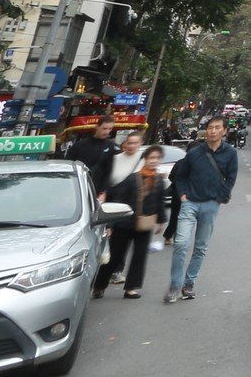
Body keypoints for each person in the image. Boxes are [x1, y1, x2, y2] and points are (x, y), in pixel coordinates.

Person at [165, 115, 238, 304]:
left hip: (210, 205)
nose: (212, 131)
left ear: (224, 131)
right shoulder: (194, 153)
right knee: (181, 243)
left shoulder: (230, 153)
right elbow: (180, 176)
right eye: (210, 127)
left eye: (216, 127)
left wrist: (219, 198)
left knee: (200, 247)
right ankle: (174, 285)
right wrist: (182, 195)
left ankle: (188, 284)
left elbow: (231, 178)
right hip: (189, 203)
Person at [95, 144, 169, 300]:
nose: (153, 161)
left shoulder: (159, 182)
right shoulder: (132, 179)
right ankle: (100, 285)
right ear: (145, 159)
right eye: (151, 158)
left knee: (140, 256)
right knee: (114, 257)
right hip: (124, 223)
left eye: (157, 158)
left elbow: (160, 203)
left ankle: (131, 288)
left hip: (145, 224)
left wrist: (162, 222)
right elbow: (119, 200)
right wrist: (111, 224)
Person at [67, 116, 120, 189]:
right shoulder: (80, 145)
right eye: (104, 128)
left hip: (95, 188)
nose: (107, 132)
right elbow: (68, 164)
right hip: (78, 184)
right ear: (97, 127)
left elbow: (108, 170)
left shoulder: (110, 146)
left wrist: (104, 191)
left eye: (110, 129)